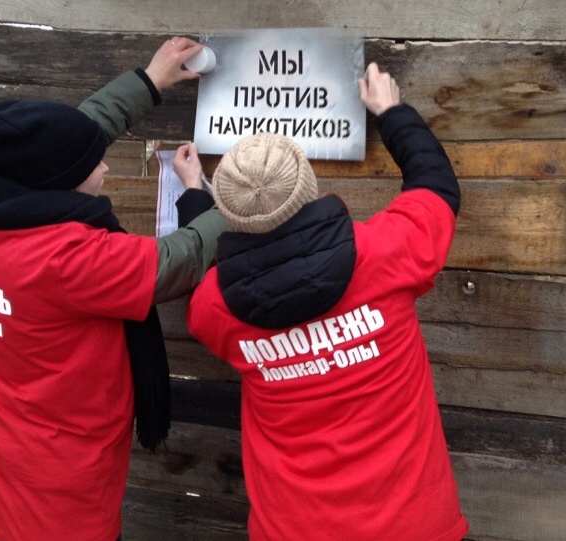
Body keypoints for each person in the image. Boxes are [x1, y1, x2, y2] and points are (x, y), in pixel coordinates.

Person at [0, 37, 227, 541]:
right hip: (61, 511)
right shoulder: (65, 259)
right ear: (60, 184)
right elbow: (177, 259)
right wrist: (242, 199)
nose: (106, 166)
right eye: (94, 165)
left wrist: (148, 81)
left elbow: (59, 143)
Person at [186, 62, 468, 540]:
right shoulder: (384, 253)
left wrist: (194, 198)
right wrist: (391, 111)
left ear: (231, 216)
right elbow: (436, 189)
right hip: (413, 525)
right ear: (309, 188)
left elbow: (201, 287)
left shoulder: (216, 307)